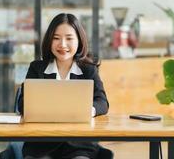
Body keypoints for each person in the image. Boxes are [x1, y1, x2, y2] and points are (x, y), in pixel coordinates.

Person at [17, 13, 109, 159]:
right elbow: (23, 104)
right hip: (41, 144)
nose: (63, 44)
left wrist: (87, 110)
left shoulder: (88, 70)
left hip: (79, 145)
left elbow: (102, 102)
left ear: (79, 40)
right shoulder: (37, 68)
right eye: (56, 38)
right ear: (49, 41)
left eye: (69, 38)